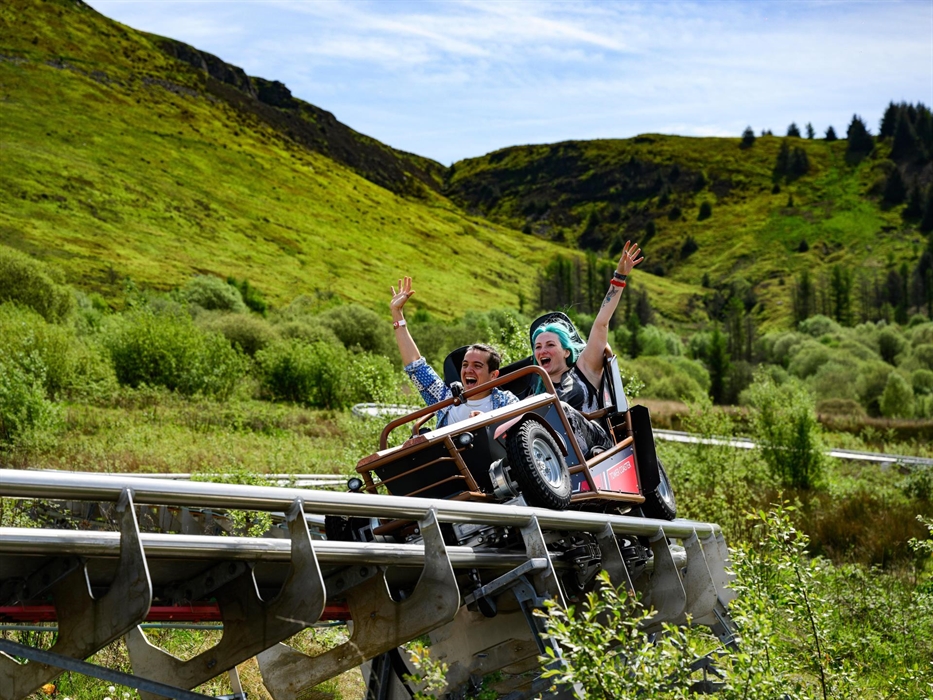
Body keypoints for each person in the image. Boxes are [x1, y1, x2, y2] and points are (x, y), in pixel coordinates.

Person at [390, 276, 518, 428]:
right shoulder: (446, 399)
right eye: (465, 365)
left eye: (477, 366)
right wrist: (397, 313)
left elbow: (520, 432)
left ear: (493, 375)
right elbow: (415, 366)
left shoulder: (506, 402)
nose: (468, 370)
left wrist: (489, 421)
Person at [533, 240, 644, 412]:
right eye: (538, 347)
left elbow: (601, 323)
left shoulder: (584, 369)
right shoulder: (536, 395)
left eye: (550, 345)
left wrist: (619, 278)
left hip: (589, 437)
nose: (543, 351)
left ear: (566, 351)